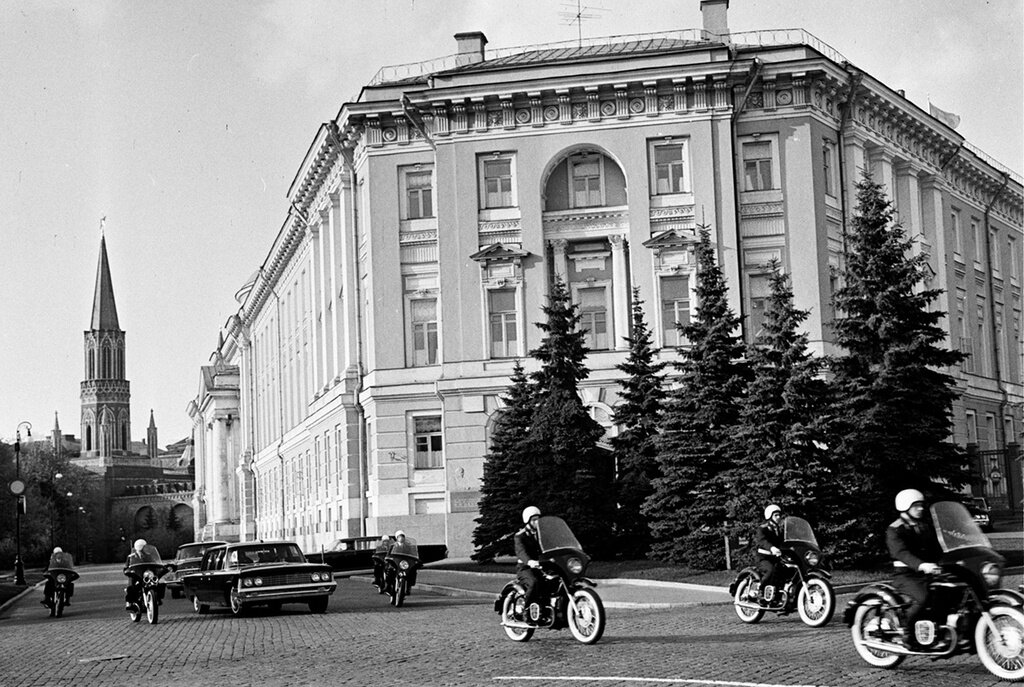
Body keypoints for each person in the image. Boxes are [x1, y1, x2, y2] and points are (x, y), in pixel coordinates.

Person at [886, 488, 942, 647]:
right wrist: (921, 565)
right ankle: (905, 631)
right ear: (905, 507)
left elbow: (937, 548)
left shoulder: (924, 526)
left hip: (928, 572)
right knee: (923, 598)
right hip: (906, 575)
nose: (921, 509)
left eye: (921, 505)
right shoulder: (895, 529)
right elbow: (901, 553)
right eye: (916, 506)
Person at [514, 506, 544, 621]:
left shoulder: (542, 534)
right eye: (534, 520)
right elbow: (521, 552)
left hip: (542, 565)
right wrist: (529, 561)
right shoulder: (520, 536)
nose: (537, 522)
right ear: (528, 521)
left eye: (538, 519)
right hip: (525, 568)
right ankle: (525, 609)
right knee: (534, 582)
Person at [755, 504, 786, 604]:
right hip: (764, 558)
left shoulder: (781, 529)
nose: (778, 517)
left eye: (779, 515)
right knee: (770, 570)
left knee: (787, 570)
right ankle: (760, 592)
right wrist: (771, 548)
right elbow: (762, 541)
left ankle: (778, 596)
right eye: (776, 515)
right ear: (769, 516)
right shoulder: (763, 529)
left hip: (776, 557)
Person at [123, 538, 164, 610]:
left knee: (159, 584)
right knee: (131, 587)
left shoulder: (148, 555)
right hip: (136, 575)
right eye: (142, 547)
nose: (142, 549)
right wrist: (127, 570)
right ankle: (130, 602)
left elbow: (153, 563)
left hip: (146, 575)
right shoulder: (131, 557)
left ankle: (157, 598)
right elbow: (126, 567)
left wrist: (159, 567)